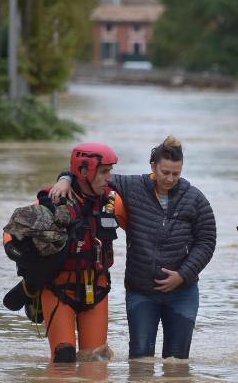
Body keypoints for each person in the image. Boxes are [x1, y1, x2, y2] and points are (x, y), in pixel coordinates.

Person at [50, 136, 217, 359]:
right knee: (140, 361)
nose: (169, 178)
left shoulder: (196, 199)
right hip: (141, 292)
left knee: (177, 363)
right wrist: (64, 179)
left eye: (175, 173)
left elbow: (207, 242)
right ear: (153, 167)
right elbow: (91, 175)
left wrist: (183, 275)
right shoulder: (131, 187)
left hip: (182, 293)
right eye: (164, 172)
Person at [3, 142, 124, 363]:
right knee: (63, 358)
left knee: (96, 361)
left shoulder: (112, 201)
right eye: (104, 172)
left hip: (96, 290)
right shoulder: (54, 200)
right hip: (58, 289)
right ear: (85, 171)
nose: (109, 178)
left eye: (110, 172)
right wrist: (17, 253)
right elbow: (12, 231)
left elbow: (142, 230)